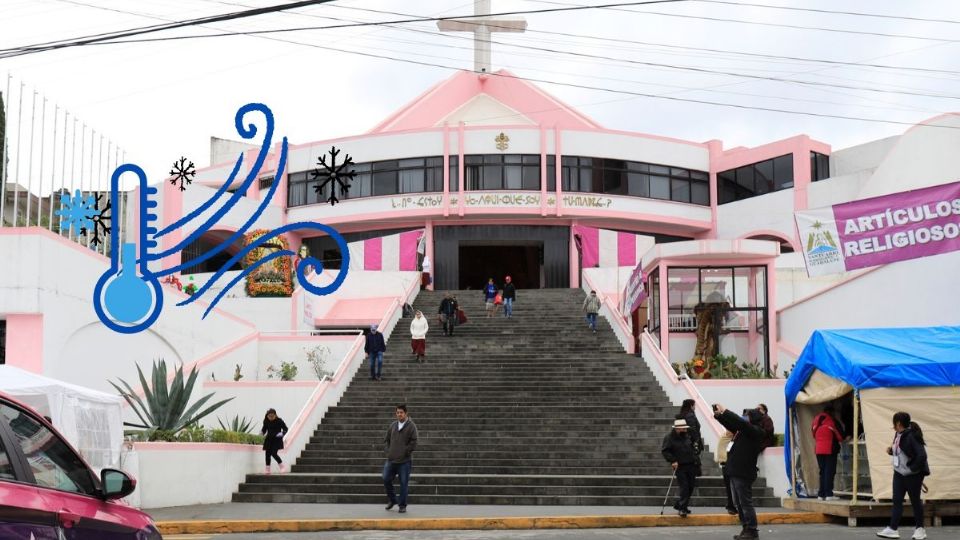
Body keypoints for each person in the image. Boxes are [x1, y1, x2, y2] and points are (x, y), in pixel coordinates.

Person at [713, 403, 766, 540]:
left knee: (745, 503)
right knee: (738, 503)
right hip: (735, 470)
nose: (745, 418)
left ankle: (752, 530)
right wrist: (720, 416)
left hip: (743, 472)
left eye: (747, 417)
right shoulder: (743, 431)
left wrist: (725, 411)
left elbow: (740, 423)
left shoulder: (756, 431)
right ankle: (745, 528)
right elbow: (732, 425)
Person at [877, 412, 930, 540]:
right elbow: (903, 451)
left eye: (893, 423)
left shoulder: (911, 436)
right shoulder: (898, 434)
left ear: (898, 423)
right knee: (897, 500)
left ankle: (920, 529)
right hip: (899, 474)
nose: (893, 426)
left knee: (915, 501)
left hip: (912, 476)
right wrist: (891, 451)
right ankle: (893, 529)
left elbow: (922, 455)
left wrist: (912, 469)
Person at [383, 404, 418, 514]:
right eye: (397, 412)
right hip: (391, 460)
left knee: (404, 483)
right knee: (385, 478)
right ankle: (393, 499)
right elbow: (387, 439)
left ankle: (402, 505)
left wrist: (405, 452)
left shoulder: (411, 426)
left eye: (401, 412)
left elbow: (414, 441)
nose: (399, 414)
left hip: (404, 461)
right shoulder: (393, 425)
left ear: (406, 413)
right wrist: (389, 451)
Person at [662, 418, 698, 517]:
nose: (685, 430)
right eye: (683, 428)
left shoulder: (686, 436)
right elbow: (665, 451)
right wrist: (672, 460)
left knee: (690, 486)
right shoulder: (669, 437)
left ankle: (681, 505)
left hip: (690, 464)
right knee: (684, 487)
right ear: (677, 429)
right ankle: (682, 508)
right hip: (680, 465)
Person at [812, 405, 843, 501]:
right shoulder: (831, 421)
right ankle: (829, 494)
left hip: (818, 449)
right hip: (829, 449)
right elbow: (840, 436)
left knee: (822, 472)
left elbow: (813, 434)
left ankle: (821, 494)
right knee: (829, 471)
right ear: (831, 412)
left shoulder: (816, 419)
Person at [716, 429, 738, 515]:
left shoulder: (738, 440)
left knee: (736, 488)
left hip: (736, 467)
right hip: (727, 467)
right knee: (729, 488)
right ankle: (731, 505)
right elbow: (720, 453)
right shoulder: (724, 440)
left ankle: (735, 505)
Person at [261, 408, 288, 474]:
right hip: (269, 439)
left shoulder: (279, 421)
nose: (271, 418)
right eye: (269, 416)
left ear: (275, 415)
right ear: (267, 416)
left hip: (277, 439)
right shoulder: (266, 421)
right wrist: (261, 433)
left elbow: (285, 429)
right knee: (267, 454)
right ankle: (268, 469)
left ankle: (282, 467)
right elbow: (264, 429)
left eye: (272, 416)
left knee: (274, 453)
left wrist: (282, 433)